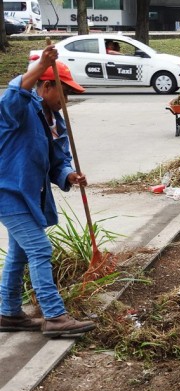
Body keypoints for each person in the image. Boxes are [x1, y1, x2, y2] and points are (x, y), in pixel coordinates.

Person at [0, 45, 96, 337]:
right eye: (64, 93)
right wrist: (42, 63)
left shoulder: (55, 121)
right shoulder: (20, 110)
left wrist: (69, 175)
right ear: (46, 86)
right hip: (8, 193)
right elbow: (15, 93)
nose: (66, 101)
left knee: (19, 252)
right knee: (40, 248)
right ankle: (54, 317)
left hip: (30, 195)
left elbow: (59, 160)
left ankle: (8, 313)